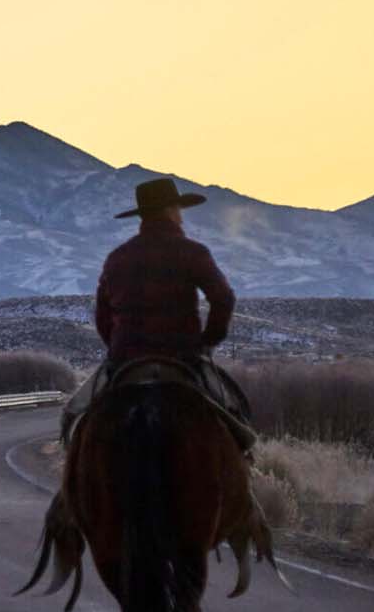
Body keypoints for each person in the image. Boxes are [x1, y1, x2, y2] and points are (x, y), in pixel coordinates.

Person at [58, 175, 254, 446]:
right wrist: (207, 343)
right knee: (236, 424)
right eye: (178, 210)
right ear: (170, 211)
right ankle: (245, 475)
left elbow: (103, 317)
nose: (181, 217)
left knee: (74, 419)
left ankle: (71, 486)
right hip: (184, 356)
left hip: (126, 358)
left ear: (143, 216)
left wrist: (118, 348)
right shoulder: (192, 252)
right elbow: (223, 299)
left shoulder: (117, 258)